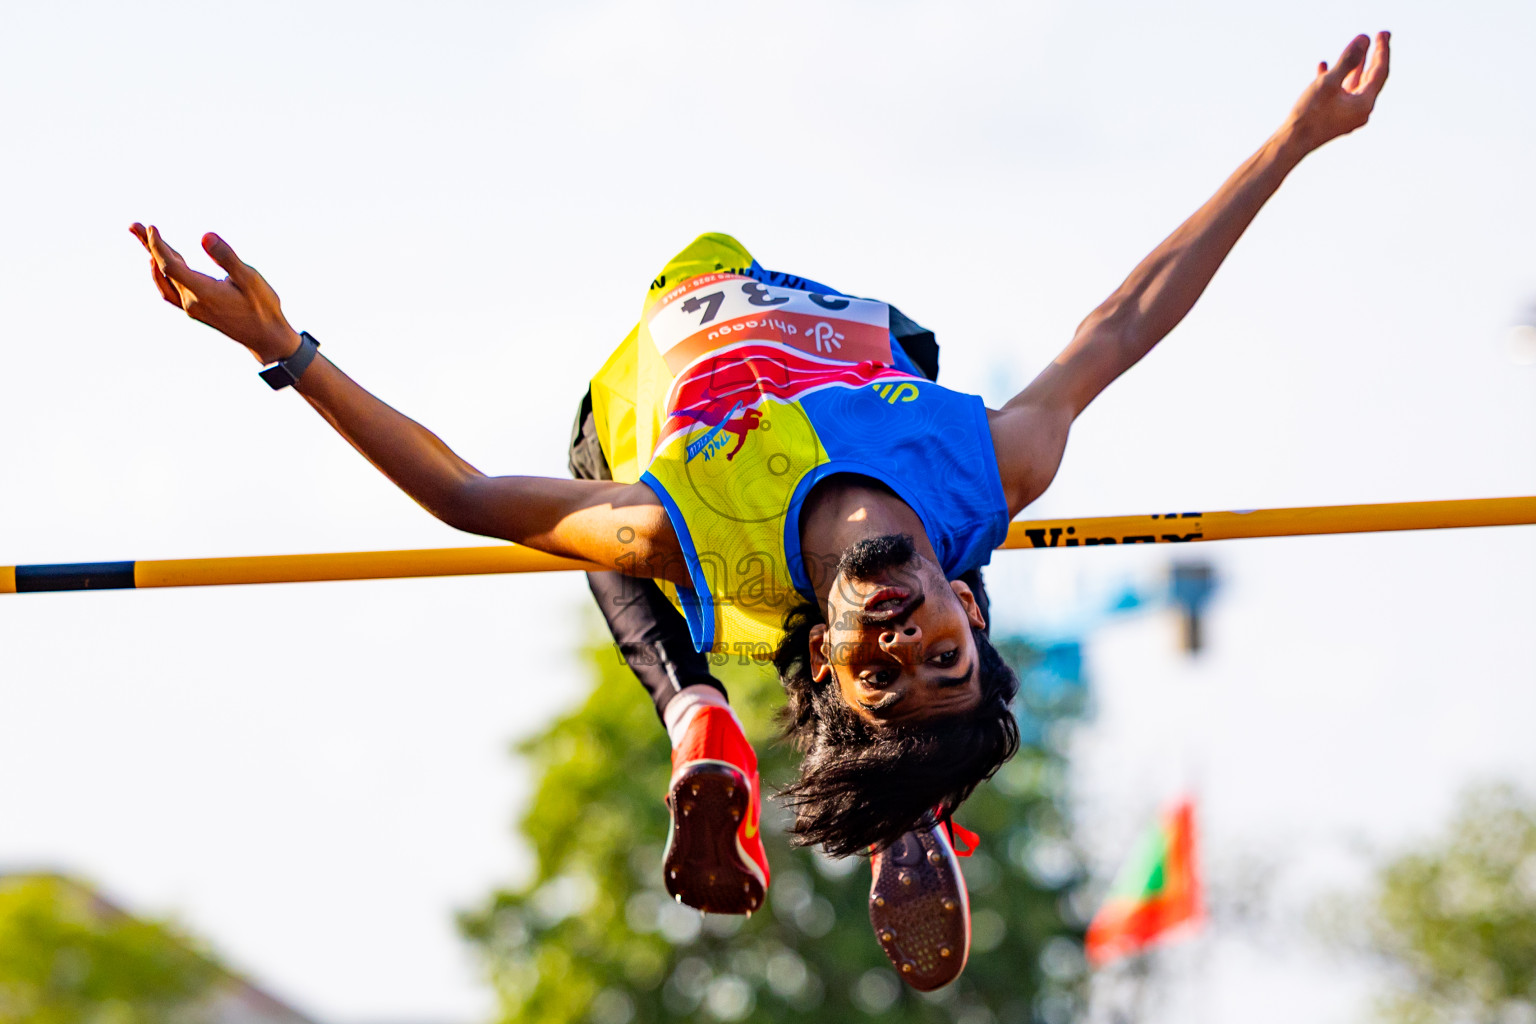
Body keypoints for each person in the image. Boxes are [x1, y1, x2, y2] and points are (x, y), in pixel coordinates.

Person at [129, 29, 1389, 990]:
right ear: (965, 606)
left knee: (611, 529)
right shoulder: (990, 467)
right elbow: (1126, 320)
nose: (903, 636)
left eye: (882, 671)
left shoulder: (687, 529)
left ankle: (697, 711)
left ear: (832, 661)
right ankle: (911, 801)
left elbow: (465, 493)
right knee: (943, 445)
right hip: (866, 363)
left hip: (657, 429)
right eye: (940, 651)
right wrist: (1291, 142)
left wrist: (285, 350)